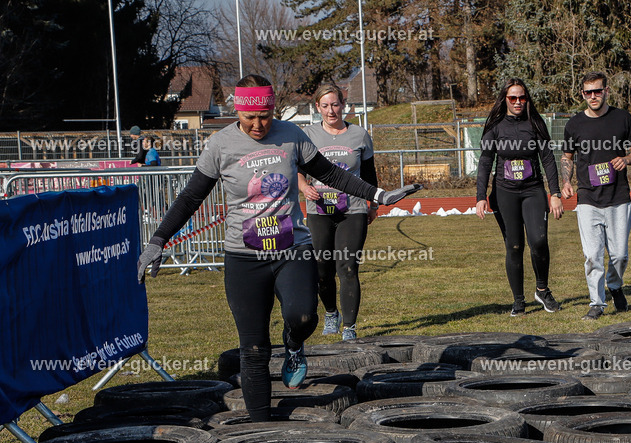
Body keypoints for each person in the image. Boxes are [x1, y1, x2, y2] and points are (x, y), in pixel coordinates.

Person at [137, 74, 419, 423]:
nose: (258, 125)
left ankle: (293, 344)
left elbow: (331, 174)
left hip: (292, 249)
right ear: (237, 111)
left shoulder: (292, 136)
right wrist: (157, 240)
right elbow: (190, 197)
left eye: (265, 117)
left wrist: (378, 195)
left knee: (304, 316)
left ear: (273, 111)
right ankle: (261, 429)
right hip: (244, 257)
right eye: (249, 118)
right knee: (254, 348)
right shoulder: (220, 145)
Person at [476, 79, 563, 316]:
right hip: (505, 193)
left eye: (522, 97)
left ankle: (542, 290)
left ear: (527, 99)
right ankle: (518, 300)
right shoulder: (495, 126)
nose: (518, 102)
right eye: (512, 98)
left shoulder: (535, 123)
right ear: (504, 99)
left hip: (533, 191)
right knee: (514, 246)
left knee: (539, 241)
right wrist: (481, 196)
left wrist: (555, 193)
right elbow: (485, 161)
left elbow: (548, 159)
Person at [561, 72, 631, 320]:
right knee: (592, 256)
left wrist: (626, 159)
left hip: (618, 197)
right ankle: (597, 303)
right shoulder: (574, 124)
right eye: (588, 92)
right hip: (588, 198)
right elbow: (567, 157)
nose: (593, 96)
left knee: (619, 255)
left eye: (597, 91)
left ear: (606, 91)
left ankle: (615, 285)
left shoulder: (622, 117)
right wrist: (566, 181)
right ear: (582, 94)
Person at [297, 84, 376, 340]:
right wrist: (304, 187)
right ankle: (331, 313)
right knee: (322, 269)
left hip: (352, 210)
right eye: (325, 105)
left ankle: (349, 327)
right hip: (319, 210)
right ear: (317, 107)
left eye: (335, 104)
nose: (331, 110)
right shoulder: (307, 135)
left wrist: (373, 205)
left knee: (348, 267)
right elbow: (297, 170)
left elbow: (369, 175)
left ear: (343, 105)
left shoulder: (359, 135)